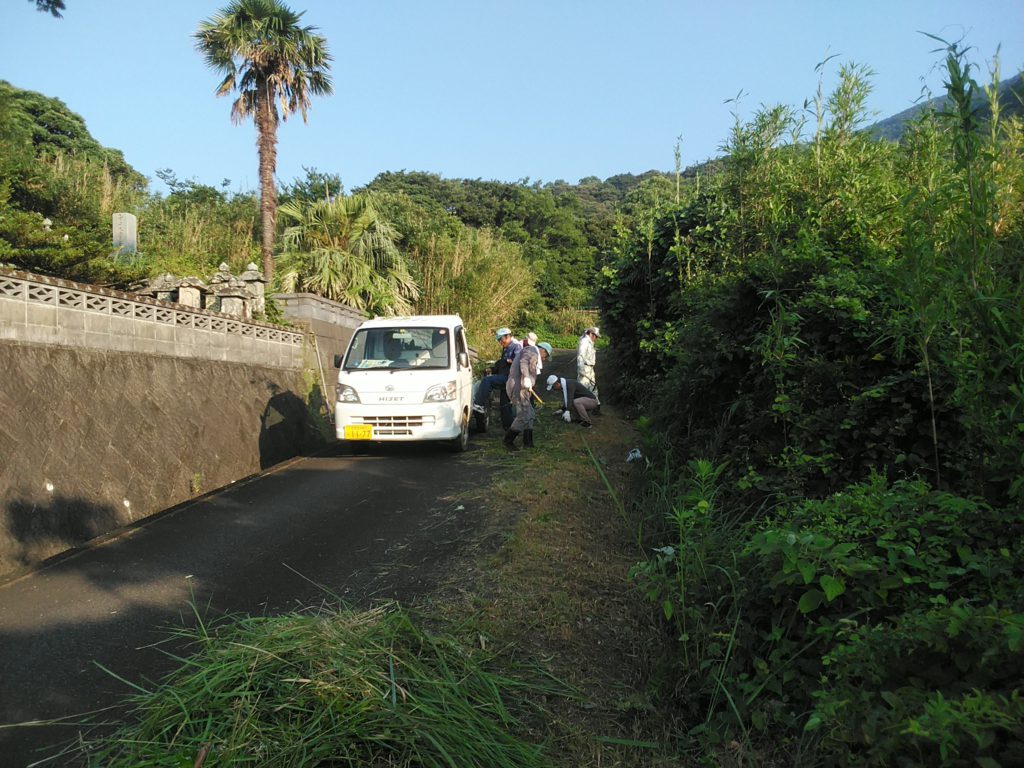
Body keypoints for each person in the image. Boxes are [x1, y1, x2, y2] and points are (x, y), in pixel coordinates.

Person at [504, 340, 552, 450]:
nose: (544, 359)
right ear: (543, 350)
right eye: (545, 356)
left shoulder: (533, 353)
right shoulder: (532, 351)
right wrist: (526, 377)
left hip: (523, 388)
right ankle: (508, 441)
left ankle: (528, 442)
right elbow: (524, 362)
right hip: (517, 387)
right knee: (523, 415)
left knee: (530, 414)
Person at [472, 327, 521, 431]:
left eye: (501, 339)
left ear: (508, 336)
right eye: (498, 340)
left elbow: (519, 362)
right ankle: (510, 428)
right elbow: (502, 366)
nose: (500, 342)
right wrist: (492, 369)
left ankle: (479, 404)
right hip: (504, 376)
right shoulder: (506, 348)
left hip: (510, 378)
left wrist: (509, 361)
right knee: (504, 405)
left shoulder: (516, 346)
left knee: (487, 381)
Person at [577, 326, 600, 410]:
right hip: (584, 368)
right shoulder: (584, 342)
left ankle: (596, 406)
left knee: (593, 387)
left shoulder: (590, 342)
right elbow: (580, 356)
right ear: (591, 334)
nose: (596, 338)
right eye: (596, 336)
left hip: (590, 368)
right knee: (582, 388)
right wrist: (581, 369)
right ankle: (580, 407)